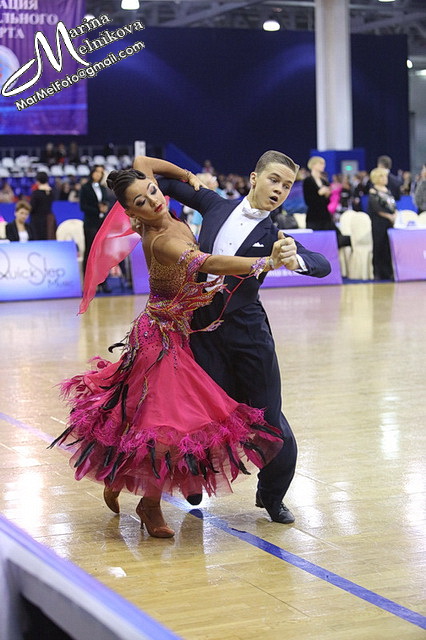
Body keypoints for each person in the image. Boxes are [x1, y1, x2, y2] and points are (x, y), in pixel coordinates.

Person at [50, 167, 293, 538]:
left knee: (145, 418)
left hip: (181, 333)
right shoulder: (160, 239)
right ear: (132, 213)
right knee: (164, 426)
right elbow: (207, 263)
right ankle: (149, 504)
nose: (153, 200)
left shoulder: (169, 215)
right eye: (141, 201)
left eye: (153, 190)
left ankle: (117, 478)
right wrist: (264, 263)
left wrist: (186, 176)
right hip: (159, 341)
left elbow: (143, 161)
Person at [133, 152, 331, 525]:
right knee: (198, 415)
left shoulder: (276, 236)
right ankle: (192, 481)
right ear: (254, 178)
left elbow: (323, 265)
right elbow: (150, 178)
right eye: (274, 180)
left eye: (287, 185)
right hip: (200, 330)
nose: (279, 190)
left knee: (269, 419)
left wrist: (294, 260)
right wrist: (187, 175)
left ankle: (271, 495)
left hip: (248, 333)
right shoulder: (214, 205)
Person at [303, 156, 350, 248]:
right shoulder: (308, 181)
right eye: (321, 163)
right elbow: (308, 201)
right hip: (314, 217)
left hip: (325, 216)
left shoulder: (324, 181)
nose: (323, 165)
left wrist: (327, 195)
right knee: (316, 243)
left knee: (334, 239)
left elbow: (327, 201)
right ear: (313, 165)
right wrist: (319, 193)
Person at [79, 165, 111, 291]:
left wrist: (105, 208)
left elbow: (106, 201)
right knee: (90, 252)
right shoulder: (85, 188)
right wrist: (98, 210)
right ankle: (88, 282)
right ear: (92, 172)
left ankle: (103, 281)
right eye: (97, 171)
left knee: (103, 252)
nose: (98, 174)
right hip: (90, 223)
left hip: (101, 223)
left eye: (101, 172)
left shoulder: (103, 188)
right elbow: (83, 206)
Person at [367, 167, 397, 280]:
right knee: (379, 245)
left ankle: (388, 271)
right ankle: (378, 272)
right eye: (382, 176)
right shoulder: (373, 191)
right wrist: (388, 216)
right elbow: (376, 208)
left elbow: (393, 204)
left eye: (385, 176)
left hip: (389, 223)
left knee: (387, 247)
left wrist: (395, 214)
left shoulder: (387, 190)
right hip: (379, 222)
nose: (385, 178)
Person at [30, 171, 56, 240]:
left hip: (37, 221)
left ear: (37, 181)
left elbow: (32, 207)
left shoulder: (36, 193)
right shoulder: (51, 192)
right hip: (48, 219)